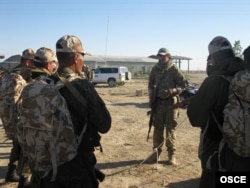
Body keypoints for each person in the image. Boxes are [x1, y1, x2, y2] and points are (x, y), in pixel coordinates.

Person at [33, 35, 111, 188]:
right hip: (76, 167)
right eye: (82, 55)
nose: (83, 59)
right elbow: (105, 124)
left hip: (47, 166)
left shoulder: (44, 84)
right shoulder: (82, 86)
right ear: (76, 57)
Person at [187, 36, 245, 188]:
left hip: (218, 152)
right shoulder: (245, 75)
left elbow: (195, 118)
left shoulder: (215, 81)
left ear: (213, 58)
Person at [147, 47, 186, 165]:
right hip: (158, 104)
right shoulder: (155, 69)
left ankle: (171, 155)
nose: (162, 57)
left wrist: (174, 90)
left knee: (170, 130)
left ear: (169, 56)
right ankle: (156, 154)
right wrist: (151, 96)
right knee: (157, 130)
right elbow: (150, 84)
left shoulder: (174, 69)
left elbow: (183, 85)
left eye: (164, 55)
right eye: (160, 55)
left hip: (171, 104)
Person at [3, 48, 35, 185]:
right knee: (26, 148)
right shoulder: (21, 77)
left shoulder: (9, 74)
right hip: (18, 119)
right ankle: (24, 180)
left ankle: (11, 171)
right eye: (33, 61)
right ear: (28, 62)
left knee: (17, 145)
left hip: (7, 119)